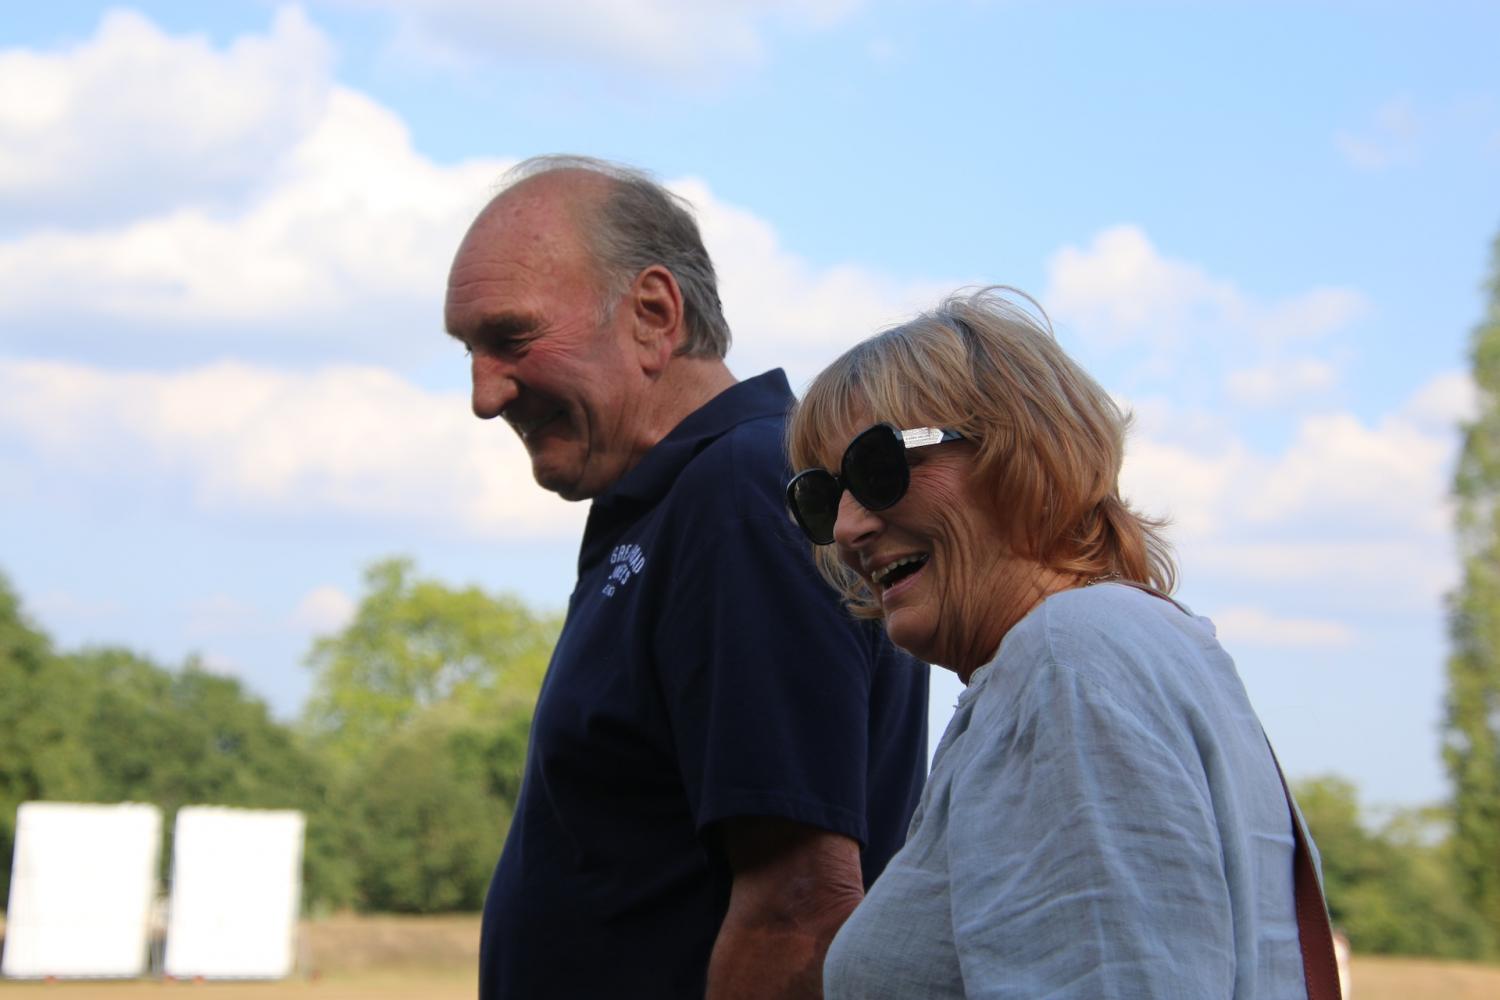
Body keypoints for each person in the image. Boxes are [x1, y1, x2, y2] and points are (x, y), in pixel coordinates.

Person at [444, 155, 929, 999]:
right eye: (470, 351)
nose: (485, 395)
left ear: (653, 315)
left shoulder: (739, 491)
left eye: (511, 338)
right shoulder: (678, 502)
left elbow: (802, 905)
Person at [784, 287, 1322, 998]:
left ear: (1023, 451)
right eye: (822, 497)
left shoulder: (1066, 662)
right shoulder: (1133, 646)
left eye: (878, 469)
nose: (850, 529)